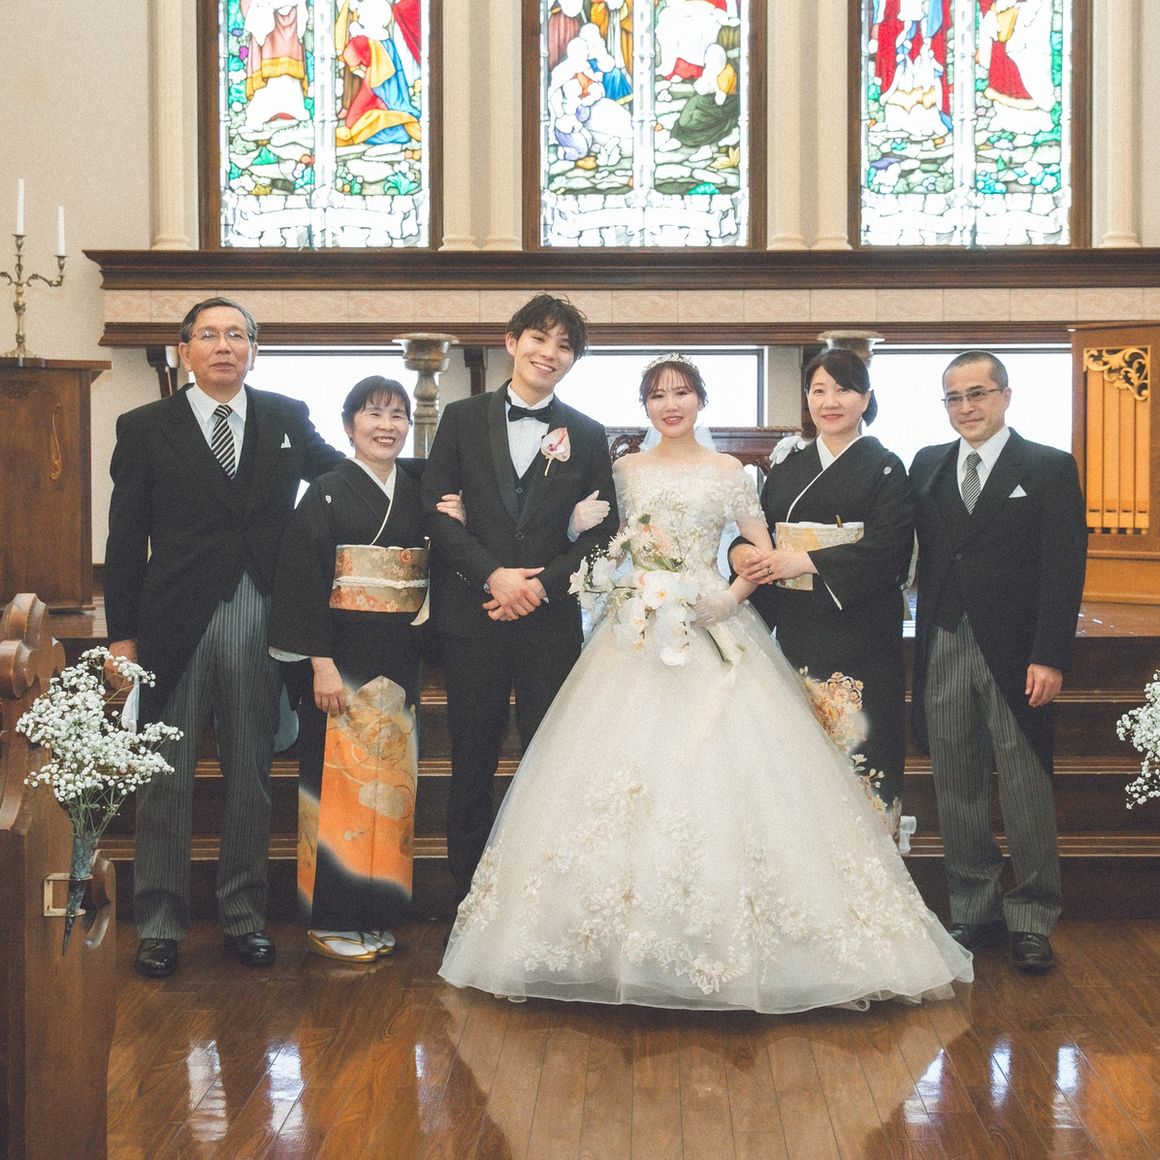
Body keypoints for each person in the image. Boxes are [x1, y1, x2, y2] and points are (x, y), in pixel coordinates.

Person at [439, 354, 972, 1011]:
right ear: (645, 407)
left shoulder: (730, 473)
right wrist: (573, 543)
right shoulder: (625, 471)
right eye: (658, 395)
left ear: (700, 401)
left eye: (682, 393)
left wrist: (732, 595)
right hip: (632, 633)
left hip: (711, 625)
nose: (670, 405)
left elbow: (756, 548)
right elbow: (592, 536)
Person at [104, 296, 342, 979]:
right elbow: (124, 539)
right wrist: (122, 638)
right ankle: (159, 922)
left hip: (260, 616)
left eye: (237, 334)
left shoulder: (287, 417)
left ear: (254, 351)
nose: (223, 345)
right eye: (208, 334)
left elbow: (345, 477)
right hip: (171, 622)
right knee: (166, 779)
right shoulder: (144, 427)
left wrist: (435, 487)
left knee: (249, 776)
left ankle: (244, 916)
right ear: (185, 351)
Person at [421, 294, 620, 907]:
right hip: (473, 617)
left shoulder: (587, 433)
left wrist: (539, 585)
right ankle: (468, 895)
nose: (549, 354)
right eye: (539, 338)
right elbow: (435, 510)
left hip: (549, 623)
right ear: (512, 342)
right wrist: (493, 577)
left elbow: (604, 531)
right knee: (471, 758)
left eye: (564, 346)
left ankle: (542, 894)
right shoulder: (460, 418)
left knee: (548, 756)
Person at [910, 351, 1086, 975]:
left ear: (1005, 396)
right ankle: (975, 909)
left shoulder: (1047, 466)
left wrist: (1050, 656)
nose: (967, 407)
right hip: (944, 642)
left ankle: (1033, 917)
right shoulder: (928, 464)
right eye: (954, 397)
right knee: (956, 783)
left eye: (978, 393)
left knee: (1023, 784)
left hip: (1017, 653)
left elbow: (1064, 569)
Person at [268, 377, 433, 963]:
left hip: (399, 659)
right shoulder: (326, 492)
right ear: (348, 426)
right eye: (373, 414)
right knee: (338, 786)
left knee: (391, 789)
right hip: (341, 659)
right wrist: (320, 664)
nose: (386, 426)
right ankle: (331, 919)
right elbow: (301, 580)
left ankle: (376, 912)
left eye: (397, 415)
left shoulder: (416, 489)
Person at [730, 348, 914, 834]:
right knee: (800, 760)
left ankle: (872, 856)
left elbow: (889, 550)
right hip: (799, 630)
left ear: (866, 399)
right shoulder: (789, 467)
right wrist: (739, 554)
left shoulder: (886, 468)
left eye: (844, 389)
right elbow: (759, 531)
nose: (830, 401)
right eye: (818, 390)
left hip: (861, 634)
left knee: (863, 751)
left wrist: (806, 560)